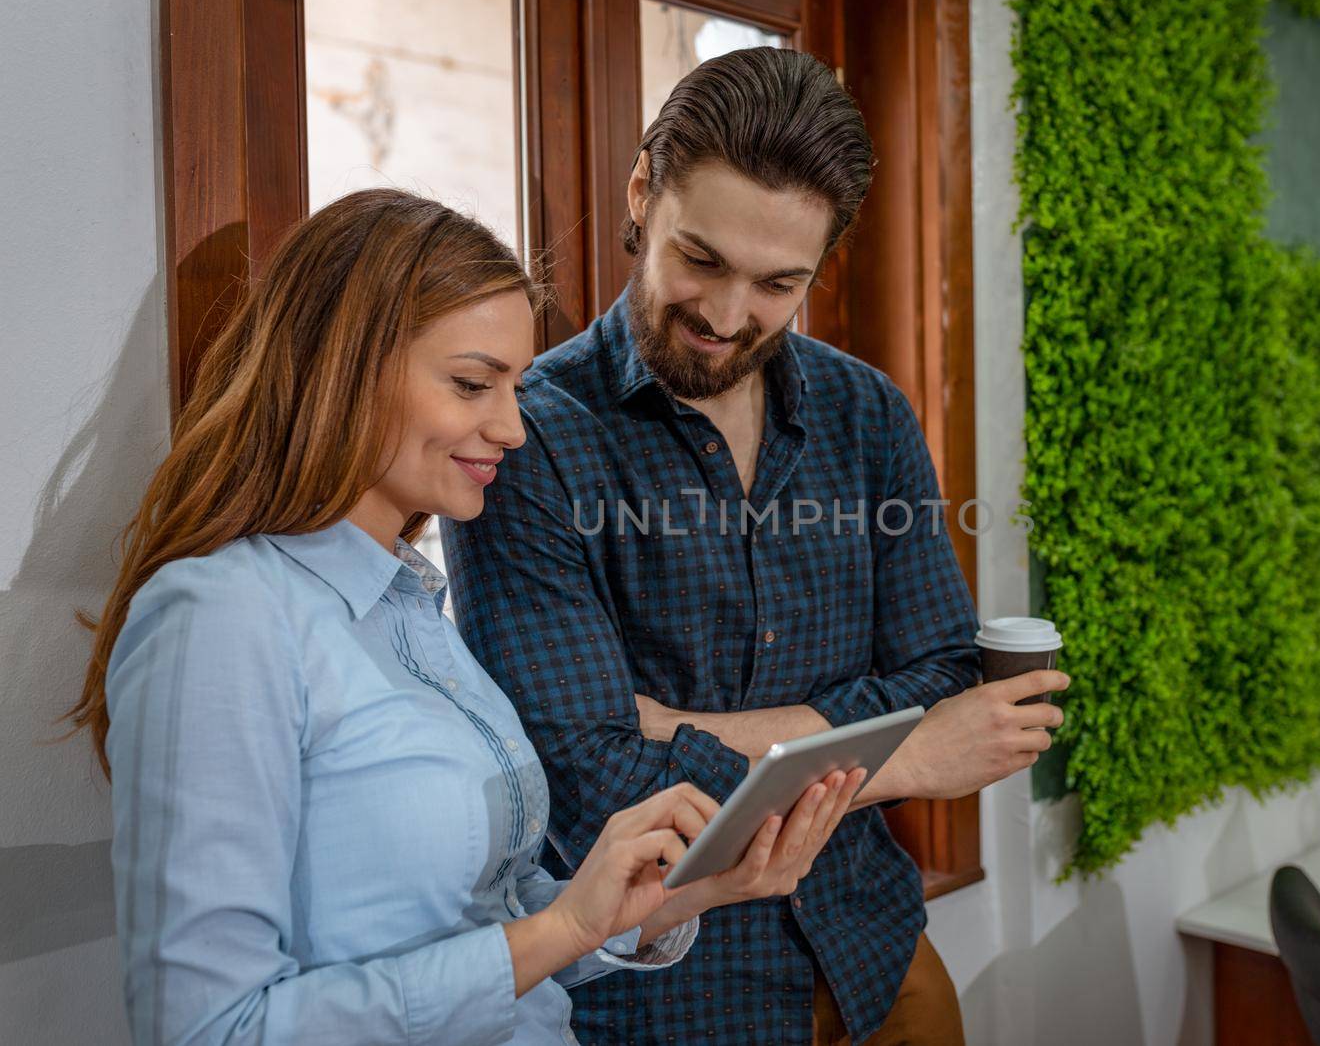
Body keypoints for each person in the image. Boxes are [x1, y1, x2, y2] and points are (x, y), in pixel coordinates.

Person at [65, 188, 864, 1046]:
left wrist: (676, 890)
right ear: (343, 367)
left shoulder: (409, 610)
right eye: (473, 383)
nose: (513, 428)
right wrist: (559, 930)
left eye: (514, 385)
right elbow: (209, 1030)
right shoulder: (221, 619)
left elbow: (486, 919)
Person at [445, 49, 1068, 1045]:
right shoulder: (529, 441)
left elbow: (947, 672)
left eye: (778, 282)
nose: (728, 316)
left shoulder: (867, 413)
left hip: (880, 957)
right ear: (643, 192)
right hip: (671, 1001)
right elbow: (584, 777)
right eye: (702, 259)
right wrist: (900, 752)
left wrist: (681, 723)